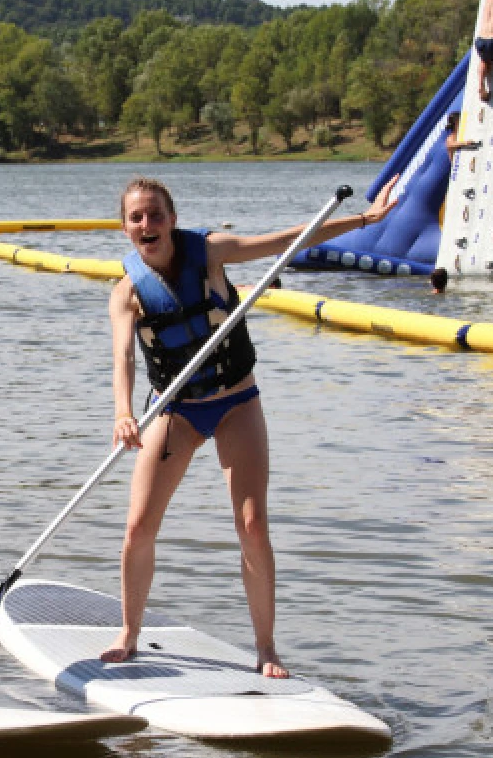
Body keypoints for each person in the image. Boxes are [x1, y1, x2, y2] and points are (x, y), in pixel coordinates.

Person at [102, 175, 398, 679]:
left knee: (252, 525)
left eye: (155, 214)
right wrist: (123, 412)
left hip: (237, 401)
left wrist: (367, 219)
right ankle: (129, 632)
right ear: (125, 228)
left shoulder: (212, 253)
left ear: (172, 219)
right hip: (175, 411)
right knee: (137, 528)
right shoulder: (126, 293)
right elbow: (123, 357)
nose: (147, 224)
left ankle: (266, 647)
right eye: (137, 217)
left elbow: (289, 239)